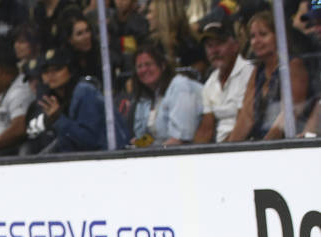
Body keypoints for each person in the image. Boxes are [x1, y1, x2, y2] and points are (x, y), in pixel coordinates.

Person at [23, 48, 130, 154]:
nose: (50, 75)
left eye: (57, 69)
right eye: (45, 71)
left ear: (70, 70)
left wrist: (58, 119)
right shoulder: (55, 98)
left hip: (111, 157)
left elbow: (90, 142)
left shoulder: (85, 92)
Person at [228, 10, 310, 142]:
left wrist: (264, 147)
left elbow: (289, 114)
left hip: (287, 143)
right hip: (259, 144)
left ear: (279, 36)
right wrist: (230, 147)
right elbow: (246, 117)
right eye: (252, 37)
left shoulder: (293, 66)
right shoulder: (257, 72)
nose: (256, 41)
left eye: (263, 34)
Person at [129, 42, 203, 146]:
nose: (144, 70)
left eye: (148, 64)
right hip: (162, 150)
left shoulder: (180, 86)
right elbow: (150, 137)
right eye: (139, 66)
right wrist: (139, 143)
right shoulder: (146, 96)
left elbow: (179, 140)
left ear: (163, 66)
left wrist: (153, 151)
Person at [193, 16, 253, 144]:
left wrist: (223, 150)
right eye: (209, 46)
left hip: (243, 145)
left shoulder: (248, 73)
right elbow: (206, 129)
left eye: (220, 44)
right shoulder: (210, 82)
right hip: (222, 148)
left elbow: (245, 123)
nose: (214, 51)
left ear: (235, 46)